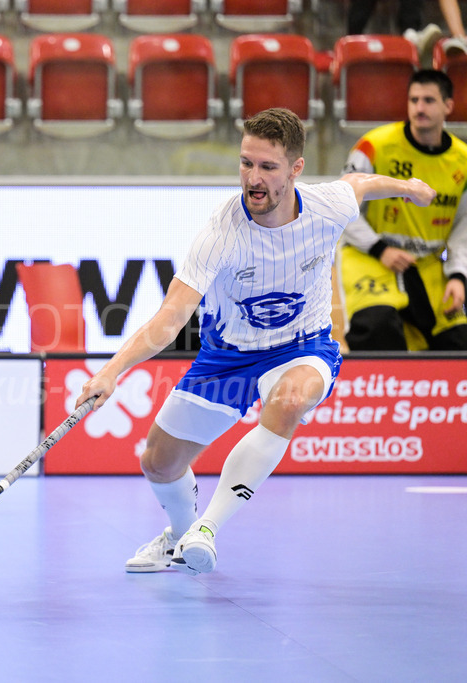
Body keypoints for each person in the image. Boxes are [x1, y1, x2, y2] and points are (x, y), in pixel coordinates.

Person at [74, 108, 436, 576]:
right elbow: (170, 318)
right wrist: (110, 370)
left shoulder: (328, 205)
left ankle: (207, 529)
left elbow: (360, 183)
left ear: (295, 169)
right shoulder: (220, 234)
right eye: (246, 163)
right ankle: (181, 537)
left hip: (302, 347)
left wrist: (412, 189)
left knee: (288, 401)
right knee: (158, 464)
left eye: (267, 166)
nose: (253, 178)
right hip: (226, 357)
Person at [339, 69, 467, 351]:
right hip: (370, 259)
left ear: (448, 105)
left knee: (458, 342)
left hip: (429, 267)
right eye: (414, 100)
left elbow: (464, 228)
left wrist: (458, 276)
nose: (419, 108)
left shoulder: (463, 161)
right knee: (378, 330)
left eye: (429, 100)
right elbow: (343, 204)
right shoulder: (375, 146)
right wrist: (379, 248)